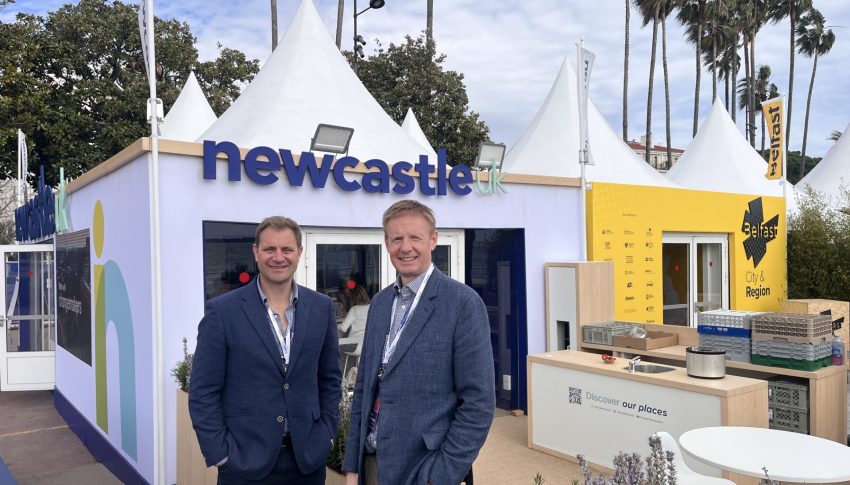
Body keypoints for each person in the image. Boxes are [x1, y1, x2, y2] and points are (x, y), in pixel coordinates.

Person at [342, 200, 496, 485]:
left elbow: (478, 404)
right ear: (386, 243)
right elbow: (364, 388)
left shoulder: (463, 304)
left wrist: (438, 477)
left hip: (423, 468)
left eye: (415, 237)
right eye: (397, 238)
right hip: (372, 465)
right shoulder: (380, 303)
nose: (405, 247)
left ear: (433, 240)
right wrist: (353, 466)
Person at [189, 216, 341, 484]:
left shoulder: (321, 308)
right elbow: (203, 392)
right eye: (270, 249)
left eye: (287, 249)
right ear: (255, 252)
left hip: (307, 462)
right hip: (244, 464)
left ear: (299, 253)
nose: (278, 257)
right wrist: (221, 454)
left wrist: (327, 434)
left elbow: (329, 380)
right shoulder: (223, 312)